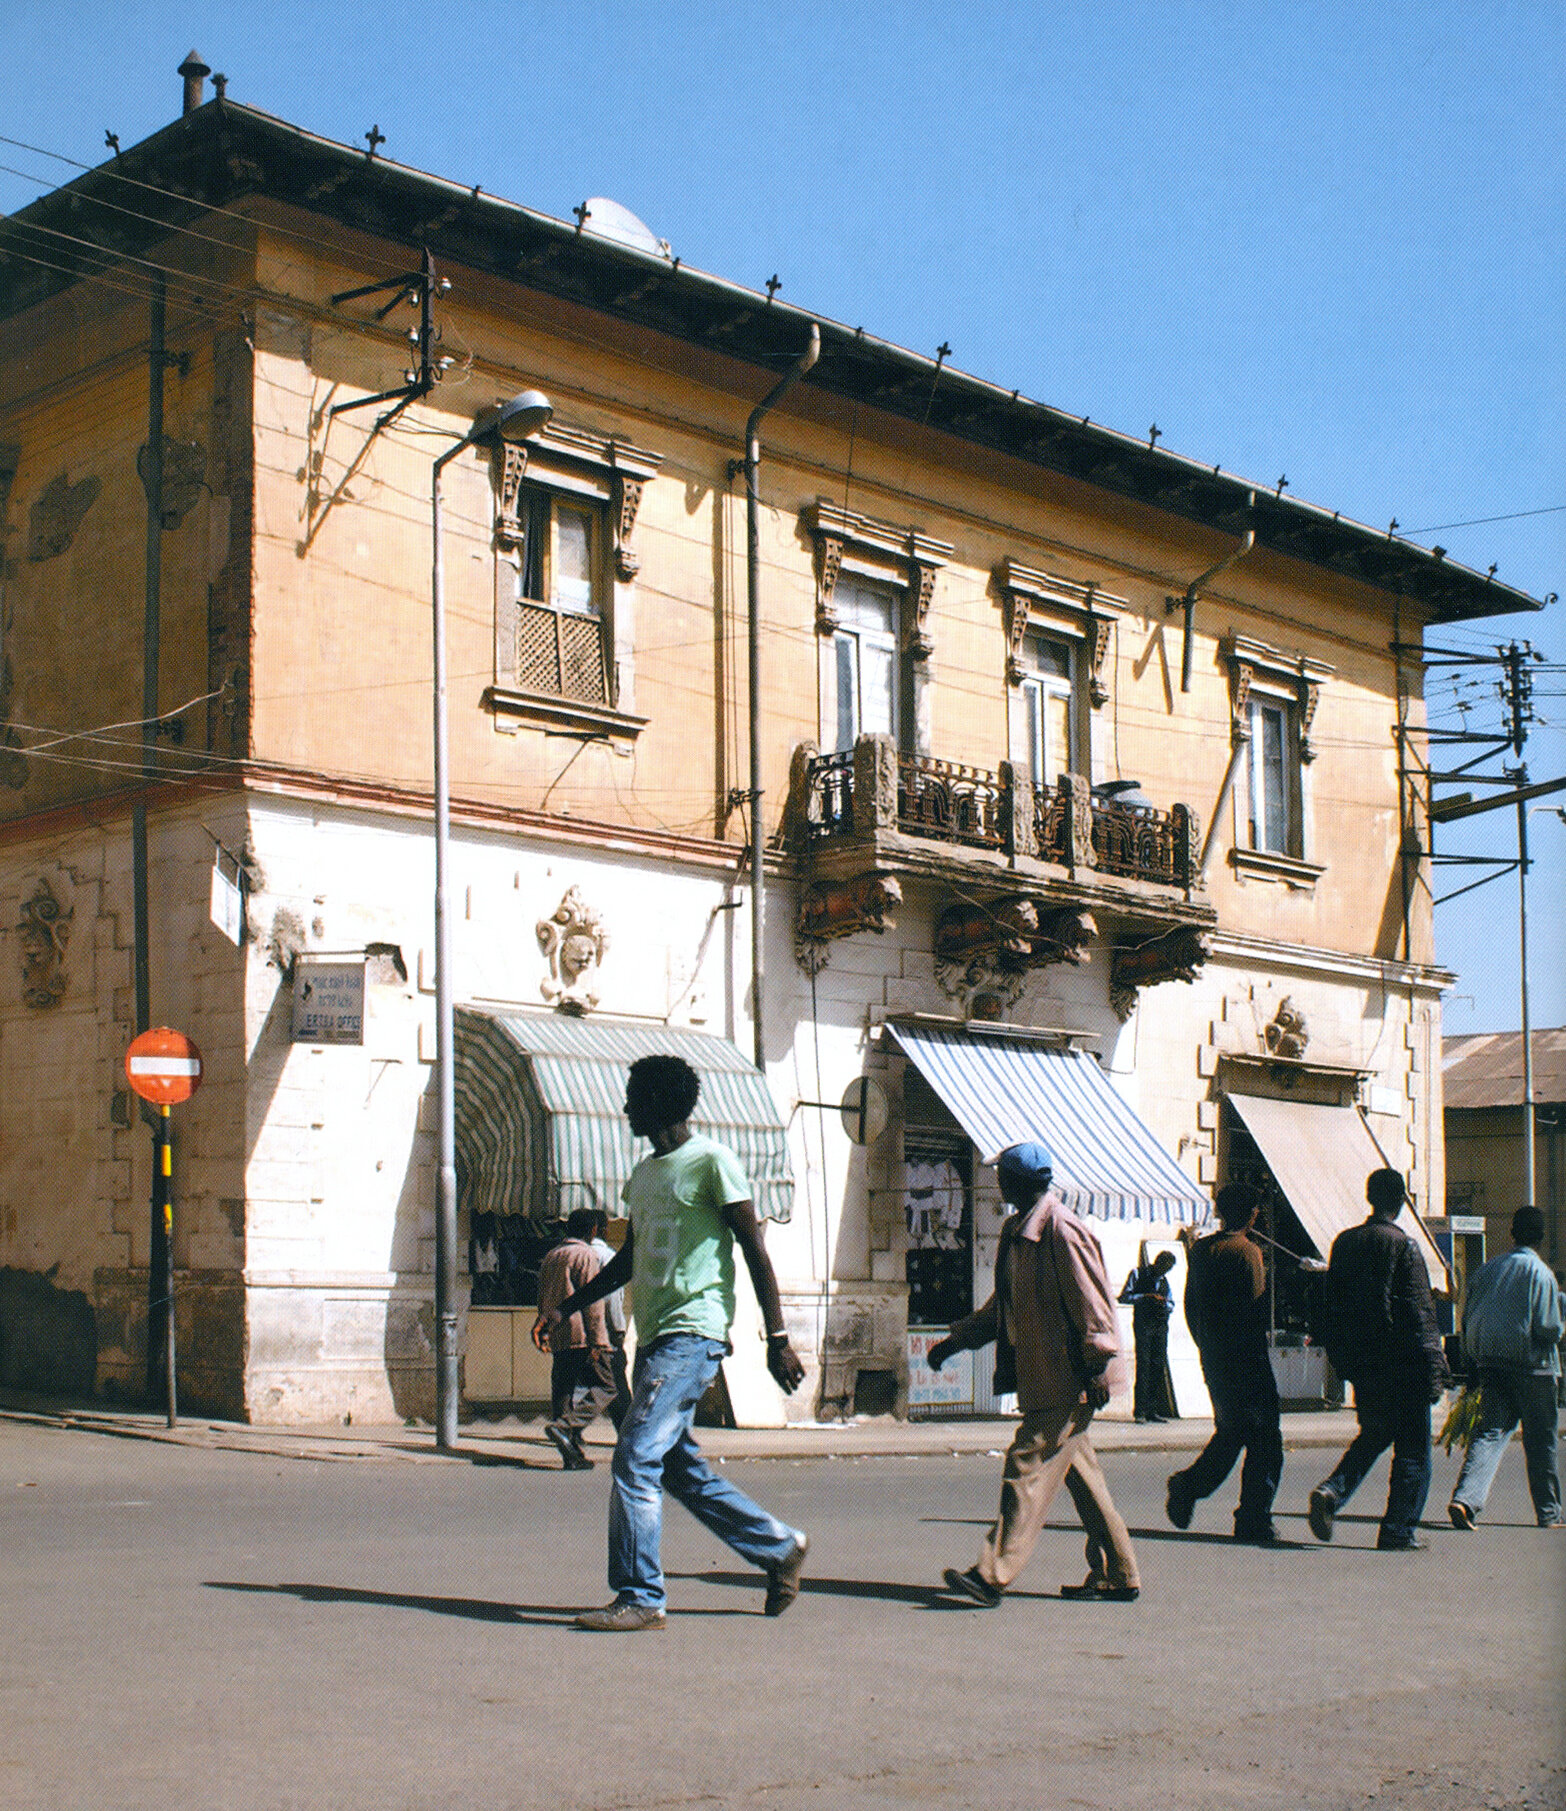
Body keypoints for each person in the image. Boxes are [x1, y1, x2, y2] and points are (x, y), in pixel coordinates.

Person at [531, 1053, 807, 1632]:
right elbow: (629, 1260)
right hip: (654, 1338)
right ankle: (778, 1548)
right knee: (678, 1470)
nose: (627, 1107)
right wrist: (568, 1306)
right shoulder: (645, 1174)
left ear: (658, 1101)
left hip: (694, 1331)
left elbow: (755, 1251)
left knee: (633, 1457)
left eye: (634, 1096)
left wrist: (776, 1337)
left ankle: (640, 1595)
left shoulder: (713, 1162)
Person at [928, 1142, 1140, 1606]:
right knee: (1082, 1477)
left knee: (1026, 1465)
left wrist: (1098, 1364)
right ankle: (1119, 1573)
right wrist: (955, 1341)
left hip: (1069, 1376)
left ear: (1023, 1182)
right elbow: (1001, 1309)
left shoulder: (1063, 1230)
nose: (998, 1182)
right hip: (1042, 1376)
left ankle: (992, 1574)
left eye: (1003, 1175)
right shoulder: (1015, 1232)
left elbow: (1093, 1304)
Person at [1308, 1168, 1448, 1551]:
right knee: (1414, 1452)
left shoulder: (1345, 1243)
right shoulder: (1404, 1247)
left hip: (1364, 1365)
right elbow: (1420, 1314)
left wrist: (1342, 1359)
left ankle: (1333, 1490)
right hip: (1403, 1366)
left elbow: (1331, 1306)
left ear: (1370, 1196)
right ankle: (1398, 1529)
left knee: (1374, 1435)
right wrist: (1434, 1369)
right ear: (1402, 1201)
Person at [1165, 1183, 1283, 1543]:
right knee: (1265, 1440)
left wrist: (1207, 1345)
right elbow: (1256, 1309)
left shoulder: (1201, 1250)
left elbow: (1191, 1306)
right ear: (1252, 1213)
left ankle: (1190, 1485)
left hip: (1215, 1357)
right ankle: (1253, 1516)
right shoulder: (1247, 1252)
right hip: (1246, 1359)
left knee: (1232, 1432)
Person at [1448, 1205, 1564, 1531]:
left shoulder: (1487, 1270)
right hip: (1534, 1369)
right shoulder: (1541, 1274)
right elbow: (1549, 1329)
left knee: (1489, 1433)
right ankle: (1549, 1513)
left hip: (1490, 1364)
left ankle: (1465, 1500)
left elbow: (1467, 1319)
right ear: (1541, 1238)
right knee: (1541, 1442)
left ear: (1512, 1234)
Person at [536, 1208, 618, 1470]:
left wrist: (545, 1327)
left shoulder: (552, 1256)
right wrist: (598, 1341)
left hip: (559, 1335)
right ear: (592, 1230)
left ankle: (571, 1455)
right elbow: (592, 1301)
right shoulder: (585, 1255)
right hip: (581, 1334)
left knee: (563, 1393)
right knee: (607, 1387)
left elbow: (543, 1299)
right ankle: (565, 1427)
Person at [1119, 1248, 1177, 1422]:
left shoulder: (1165, 1282)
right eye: (1162, 1267)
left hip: (1160, 1325)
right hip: (1144, 1325)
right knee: (1144, 1365)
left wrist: (1165, 1305)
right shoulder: (1138, 1274)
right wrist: (1146, 1297)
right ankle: (1141, 1411)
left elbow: (1172, 1303)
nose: (1163, 1272)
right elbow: (1124, 1297)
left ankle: (1152, 1409)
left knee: (1158, 1365)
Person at [588, 1209, 633, 1429]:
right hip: (604, 1331)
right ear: (599, 1229)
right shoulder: (607, 1256)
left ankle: (569, 1429)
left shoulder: (572, 1254)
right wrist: (618, 1329)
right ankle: (626, 1431)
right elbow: (612, 1297)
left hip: (576, 1331)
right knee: (615, 1385)